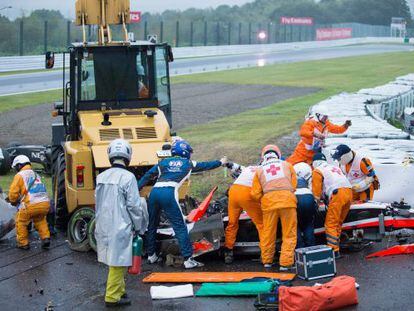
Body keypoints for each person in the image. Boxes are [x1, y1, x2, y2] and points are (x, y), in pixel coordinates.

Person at [138, 140, 227, 269]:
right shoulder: (188, 163)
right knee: (180, 227)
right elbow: (206, 165)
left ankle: (151, 256)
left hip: (155, 192)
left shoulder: (162, 162)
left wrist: (136, 188)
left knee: (152, 224)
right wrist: (220, 162)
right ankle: (188, 259)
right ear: (185, 152)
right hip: (169, 192)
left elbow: (147, 176)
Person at [95, 139, 148, 307]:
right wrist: (139, 225)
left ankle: (120, 291)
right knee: (118, 262)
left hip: (103, 224)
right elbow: (133, 205)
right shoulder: (128, 177)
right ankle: (112, 297)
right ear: (128, 156)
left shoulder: (101, 177)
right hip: (121, 225)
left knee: (116, 259)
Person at [251, 145, 297, 270]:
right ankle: (286, 263)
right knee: (289, 233)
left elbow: (254, 194)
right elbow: (294, 185)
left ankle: (267, 261)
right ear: (278, 154)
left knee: (268, 233)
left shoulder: (259, 170)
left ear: (264, 156)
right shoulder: (287, 165)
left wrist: (265, 199)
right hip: (287, 202)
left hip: (269, 204)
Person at [311, 153, 352, 258]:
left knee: (330, 224)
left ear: (314, 163)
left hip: (337, 194)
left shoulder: (317, 170)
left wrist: (316, 201)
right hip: (349, 192)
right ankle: (337, 246)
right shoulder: (333, 167)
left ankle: (334, 251)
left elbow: (316, 193)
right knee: (338, 222)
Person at [223, 162, 264, 264]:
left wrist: (229, 164)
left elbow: (236, 166)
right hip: (247, 193)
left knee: (232, 223)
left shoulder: (249, 167)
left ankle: (228, 252)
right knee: (261, 224)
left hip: (234, 191)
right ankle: (265, 254)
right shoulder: (265, 170)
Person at [7, 155, 50, 250]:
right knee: (40, 220)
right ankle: (45, 238)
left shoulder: (19, 175)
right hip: (44, 203)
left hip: (30, 205)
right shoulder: (36, 174)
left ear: (19, 166)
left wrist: (13, 200)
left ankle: (23, 243)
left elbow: (13, 193)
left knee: (20, 222)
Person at [287, 106, 352, 165]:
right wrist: (315, 134)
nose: (326, 118)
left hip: (314, 154)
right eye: (324, 117)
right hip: (302, 152)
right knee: (289, 165)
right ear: (318, 115)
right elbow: (303, 132)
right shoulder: (310, 122)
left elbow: (337, 129)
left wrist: (345, 126)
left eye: (327, 117)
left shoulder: (327, 124)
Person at [293, 162, 317, 248]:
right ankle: (311, 249)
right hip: (308, 196)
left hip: (295, 197)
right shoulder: (309, 173)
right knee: (308, 224)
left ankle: (300, 249)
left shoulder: (290, 175)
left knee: (294, 226)